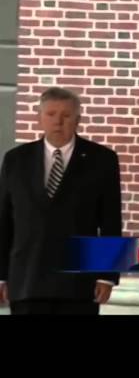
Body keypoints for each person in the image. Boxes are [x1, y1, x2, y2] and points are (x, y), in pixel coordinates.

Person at [0, 87, 122, 315]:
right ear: (39, 118)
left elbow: (110, 222)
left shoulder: (101, 160)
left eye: (66, 116)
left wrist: (107, 275)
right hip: (27, 279)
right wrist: (1, 276)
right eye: (51, 114)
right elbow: (4, 221)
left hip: (78, 283)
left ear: (78, 120)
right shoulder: (16, 160)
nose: (58, 122)